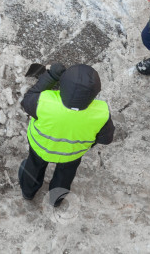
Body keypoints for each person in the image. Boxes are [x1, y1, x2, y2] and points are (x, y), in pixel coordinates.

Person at [18, 63, 114, 206]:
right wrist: (88, 141)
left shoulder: (44, 101)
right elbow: (106, 139)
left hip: (41, 147)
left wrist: (50, 76)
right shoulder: (101, 113)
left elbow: (27, 100)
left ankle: (28, 192)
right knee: (64, 176)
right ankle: (56, 200)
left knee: (33, 168)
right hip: (71, 154)